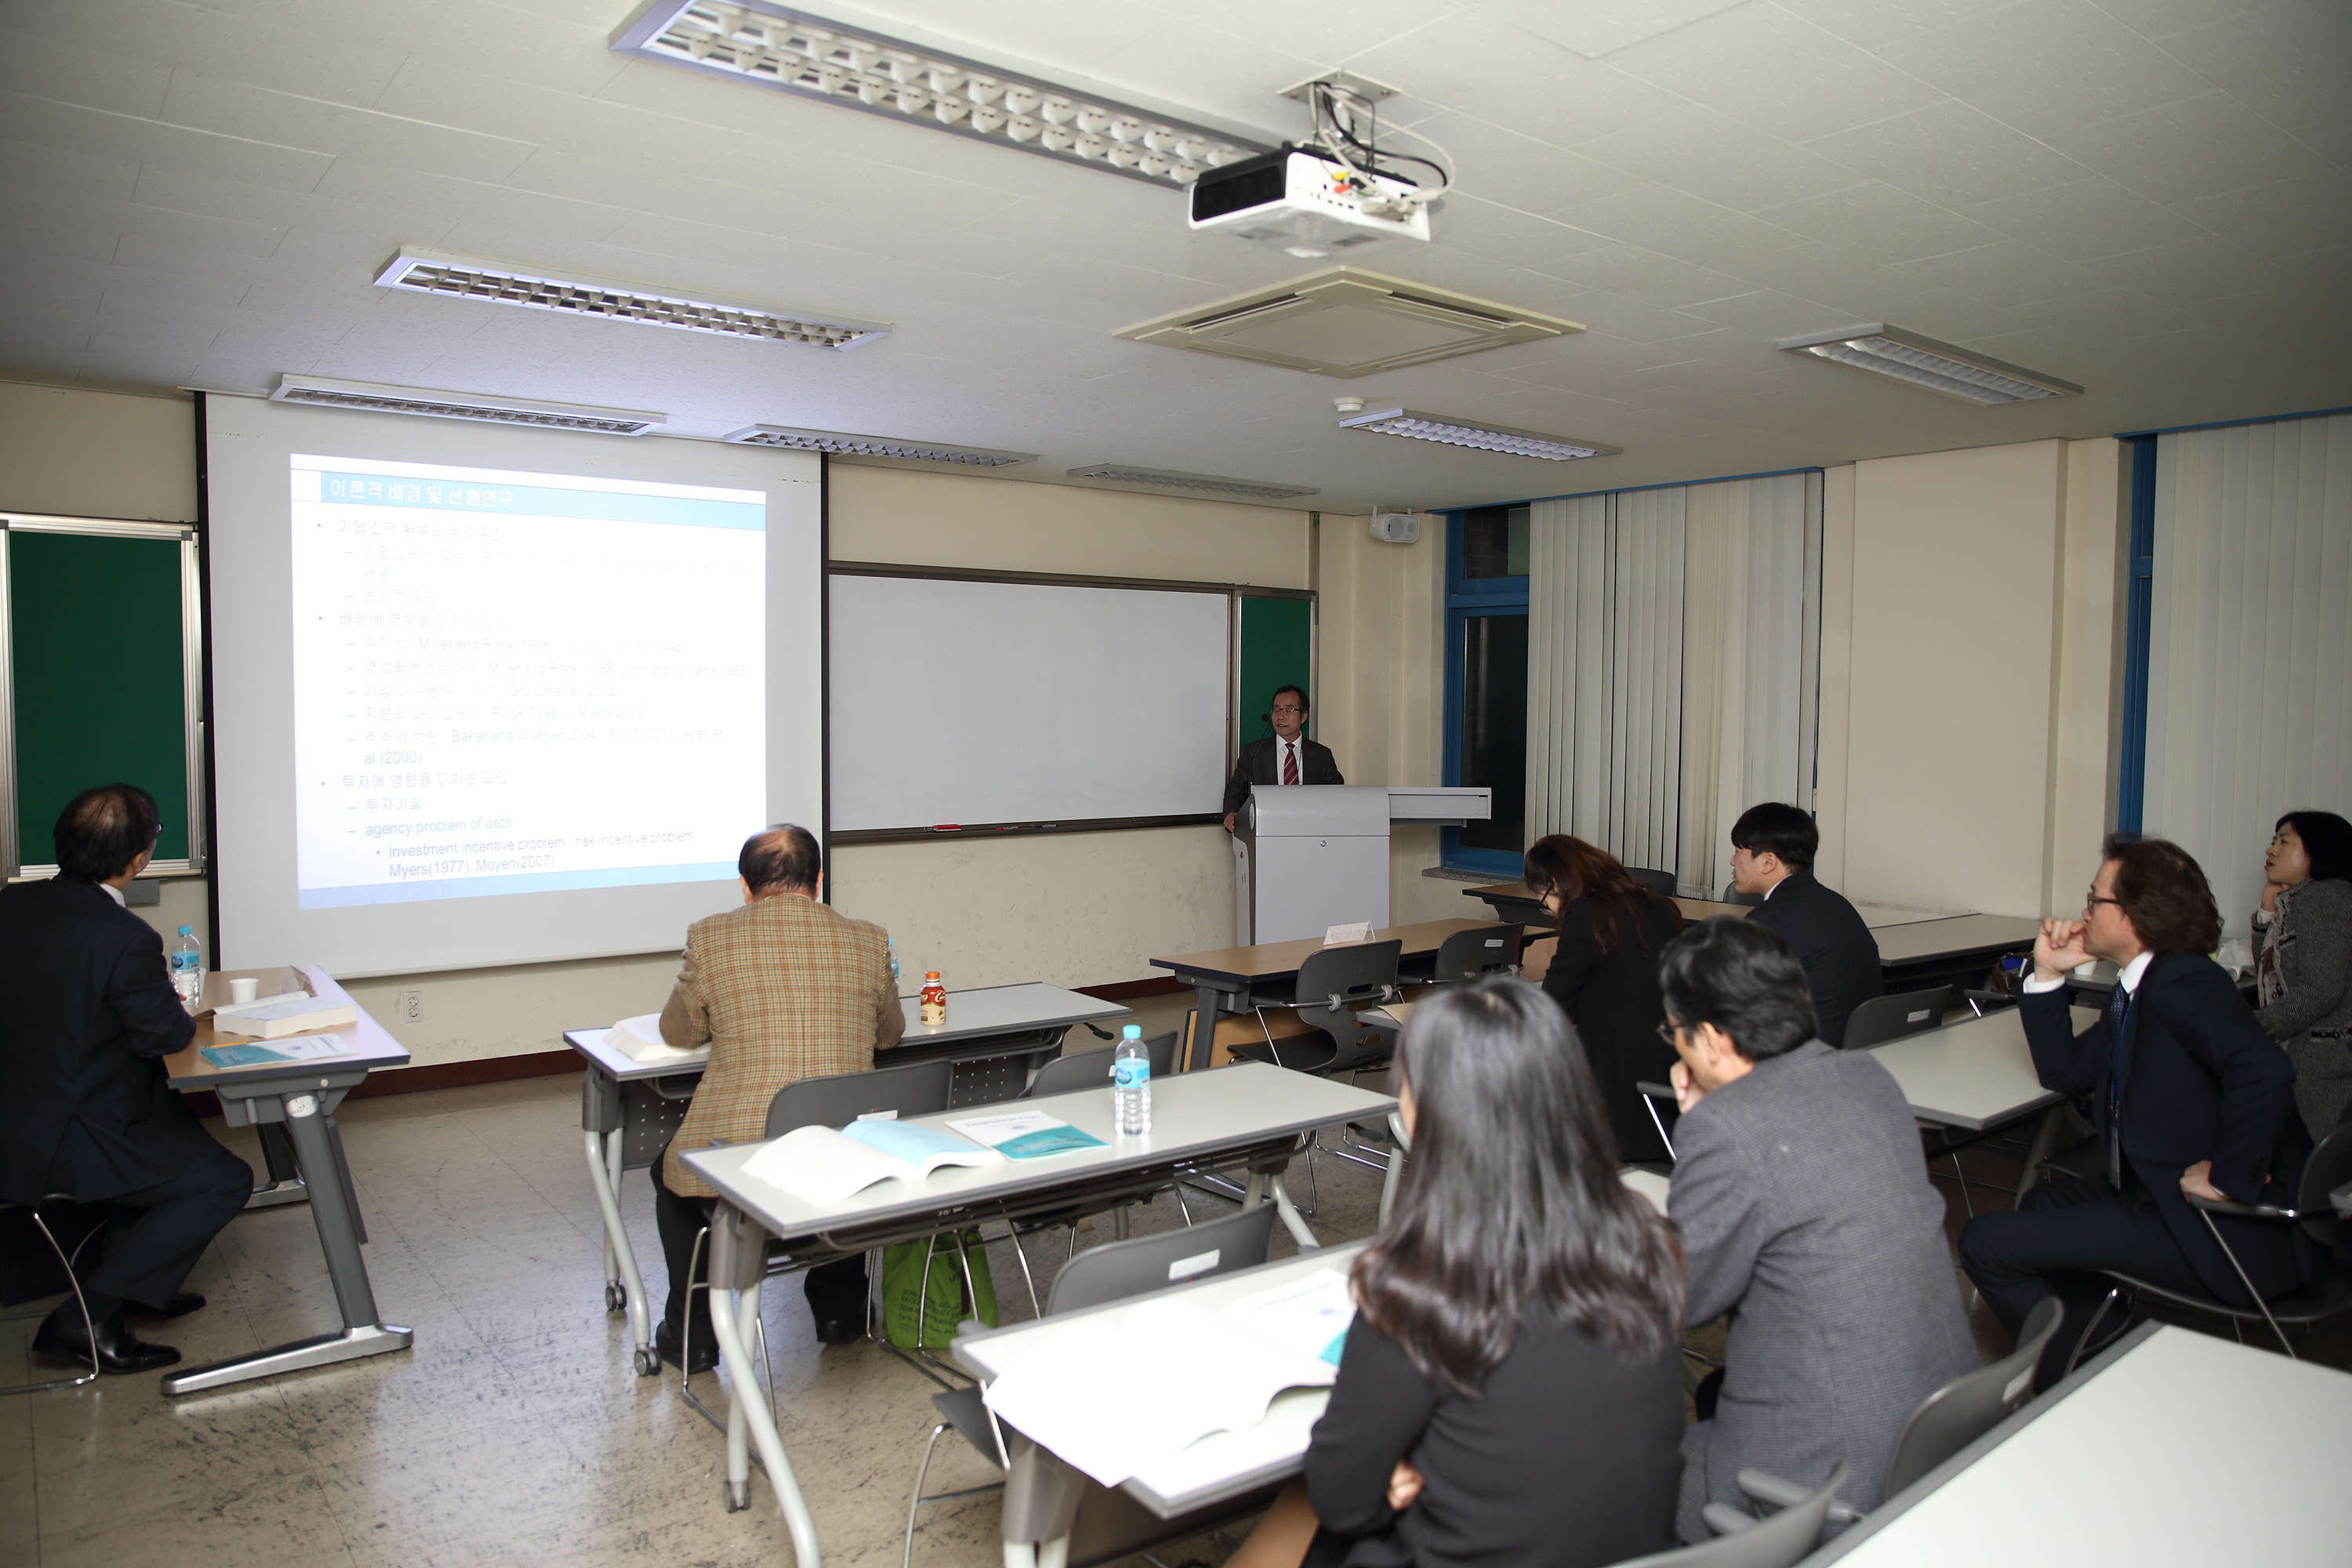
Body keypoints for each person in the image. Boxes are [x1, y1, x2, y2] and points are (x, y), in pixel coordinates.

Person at [1228, 977, 1686, 1568]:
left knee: (1303, 1509)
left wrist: (1402, 1467)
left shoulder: (1422, 1289)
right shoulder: (1645, 1243)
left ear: (1423, 1113)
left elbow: (1341, 1502)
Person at [1960, 835, 2327, 1391]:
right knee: (2039, 1203)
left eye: (2095, 899)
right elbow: (2065, 1072)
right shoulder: (2143, 987)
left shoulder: (2182, 985)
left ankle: (2069, 1385)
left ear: (2136, 914)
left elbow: (2266, 1069)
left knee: (1983, 1244)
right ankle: (2105, 1346)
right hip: (2155, 1191)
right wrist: (2049, 973)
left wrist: (2230, 1179)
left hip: (2214, 1228)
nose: (2084, 911)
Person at [1662, 917, 1974, 1541]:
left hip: (1828, 1472)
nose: (1674, 1050)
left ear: (1713, 1041)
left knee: (1609, 1477)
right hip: (1938, 1425)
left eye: (1674, 1033)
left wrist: (1697, 1115)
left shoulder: (1728, 1126)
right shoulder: (1867, 1076)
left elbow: (1681, 1299)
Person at [0, 784, 252, 1374]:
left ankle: (137, 1286)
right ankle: (87, 1315)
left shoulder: (11, 904)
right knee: (223, 1180)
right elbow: (163, 1036)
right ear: (139, 860)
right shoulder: (125, 937)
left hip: (19, 1114)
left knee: (174, 1130)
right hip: (65, 1137)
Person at [650, 824, 903, 1367]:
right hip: (845, 1144)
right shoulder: (869, 939)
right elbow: (889, 1035)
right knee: (837, 1158)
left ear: (745, 887)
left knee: (671, 1175)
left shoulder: (710, 937)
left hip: (744, 1148)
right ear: (819, 880)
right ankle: (841, 1315)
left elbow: (679, 1034)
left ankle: (694, 1335)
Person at [1522, 834, 1684, 1163]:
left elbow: (1554, 1005)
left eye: (1544, 900)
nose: (1549, 909)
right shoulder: (1660, 905)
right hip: (1670, 1061)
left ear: (1556, 884)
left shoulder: (1587, 913)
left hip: (1616, 1072)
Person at [1730, 801, 1881, 1047]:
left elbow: (1735, 1005)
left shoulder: (1768, 921)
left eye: (1738, 851)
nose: (1732, 860)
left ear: (1768, 862)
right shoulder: (1836, 904)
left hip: (1803, 1059)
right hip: (1852, 1053)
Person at [2252, 810, 2352, 1138]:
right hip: (2312, 1059)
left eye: (2284, 842)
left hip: (2321, 1066)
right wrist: (2267, 909)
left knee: (2313, 1161)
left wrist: (2253, 1027)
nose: (2271, 849)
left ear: (2319, 849)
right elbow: (2272, 970)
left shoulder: (2322, 897)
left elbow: (2322, 989)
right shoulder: (2302, 897)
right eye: (2273, 841)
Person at [1222, 684, 1343, 832]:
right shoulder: (1254, 752)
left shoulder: (1321, 755)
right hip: (1266, 829)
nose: (1281, 716)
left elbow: (1337, 794)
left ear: (1303, 716)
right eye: (1277, 710)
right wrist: (1231, 813)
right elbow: (1236, 789)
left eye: (1288, 710)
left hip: (1311, 830)